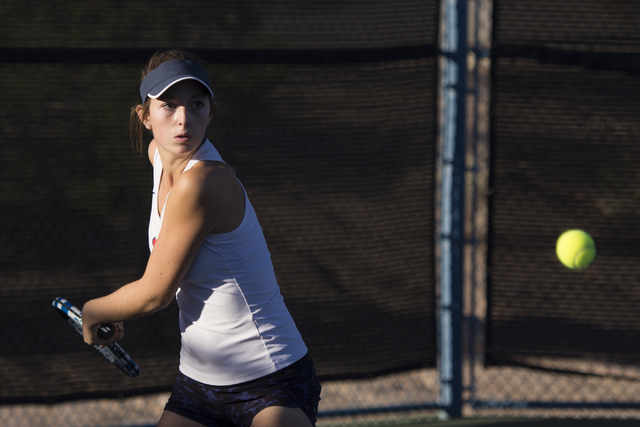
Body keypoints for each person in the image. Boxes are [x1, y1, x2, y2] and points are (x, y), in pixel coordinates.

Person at [81, 50, 321, 427]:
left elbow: (154, 294)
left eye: (196, 104)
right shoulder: (159, 158)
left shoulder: (203, 182)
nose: (183, 119)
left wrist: (94, 312)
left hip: (272, 380)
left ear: (211, 111)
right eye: (169, 106)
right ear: (145, 117)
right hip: (199, 383)